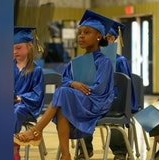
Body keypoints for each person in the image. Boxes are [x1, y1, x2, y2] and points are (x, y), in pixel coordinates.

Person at [13, 10, 115, 160]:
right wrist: (74, 84)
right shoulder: (75, 62)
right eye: (80, 32)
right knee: (63, 104)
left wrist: (77, 88)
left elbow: (98, 89)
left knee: (63, 94)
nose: (81, 36)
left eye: (87, 32)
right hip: (78, 101)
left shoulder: (104, 62)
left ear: (98, 36)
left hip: (95, 102)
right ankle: (65, 155)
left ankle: (36, 131)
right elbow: (65, 80)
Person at [77, 20, 138, 160]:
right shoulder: (88, 59)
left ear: (111, 39)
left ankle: (120, 151)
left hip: (115, 102)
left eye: (103, 37)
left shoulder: (120, 61)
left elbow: (125, 88)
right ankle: (85, 150)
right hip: (93, 100)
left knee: (111, 114)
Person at [13, 26, 45, 160]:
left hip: (27, 106)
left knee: (15, 111)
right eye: (12, 48)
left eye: (19, 48)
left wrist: (19, 98)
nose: (15, 52)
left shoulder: (36, 70)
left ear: (30, 46)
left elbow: (37, 94)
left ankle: (14, 148)